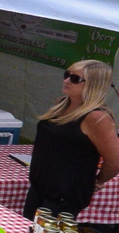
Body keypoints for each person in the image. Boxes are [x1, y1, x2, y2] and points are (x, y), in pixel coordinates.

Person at [24, 60, 119, 219]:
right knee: (26, 228)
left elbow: (115, 160)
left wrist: (98, 180)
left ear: (93, 84)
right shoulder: (62, 103)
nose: (67, 80)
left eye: (75, 79)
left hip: (64, 195)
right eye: (67, 75)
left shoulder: (96, 117)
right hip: (40, 186)